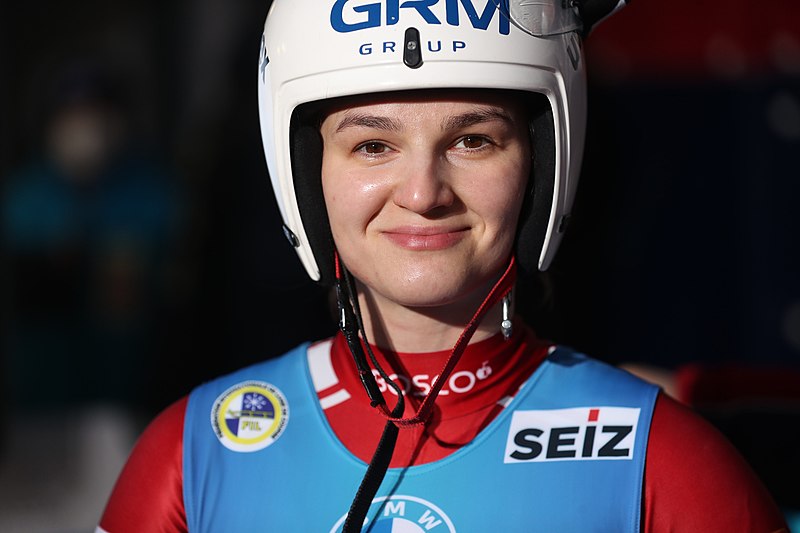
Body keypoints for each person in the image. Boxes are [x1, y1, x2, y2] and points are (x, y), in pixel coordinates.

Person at [96, 0, 790, 531]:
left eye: (473, 139)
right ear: (306, 175)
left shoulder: (665, 460)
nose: (424, 192)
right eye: (373, 146)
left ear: (542, 167)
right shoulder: (190, 457)